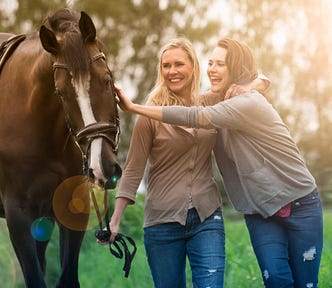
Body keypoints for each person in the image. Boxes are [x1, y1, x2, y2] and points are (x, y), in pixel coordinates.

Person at [115, 37, 323, 288]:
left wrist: (135, 107)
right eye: (166, 65)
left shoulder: (228, 102)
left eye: (179, 64)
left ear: (193, 67)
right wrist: (116, 219)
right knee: (277, 280)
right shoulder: (169, 112)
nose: (172, 71)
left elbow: (200, 115)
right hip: (193, 215)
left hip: (252, 207)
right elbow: (133, 169)